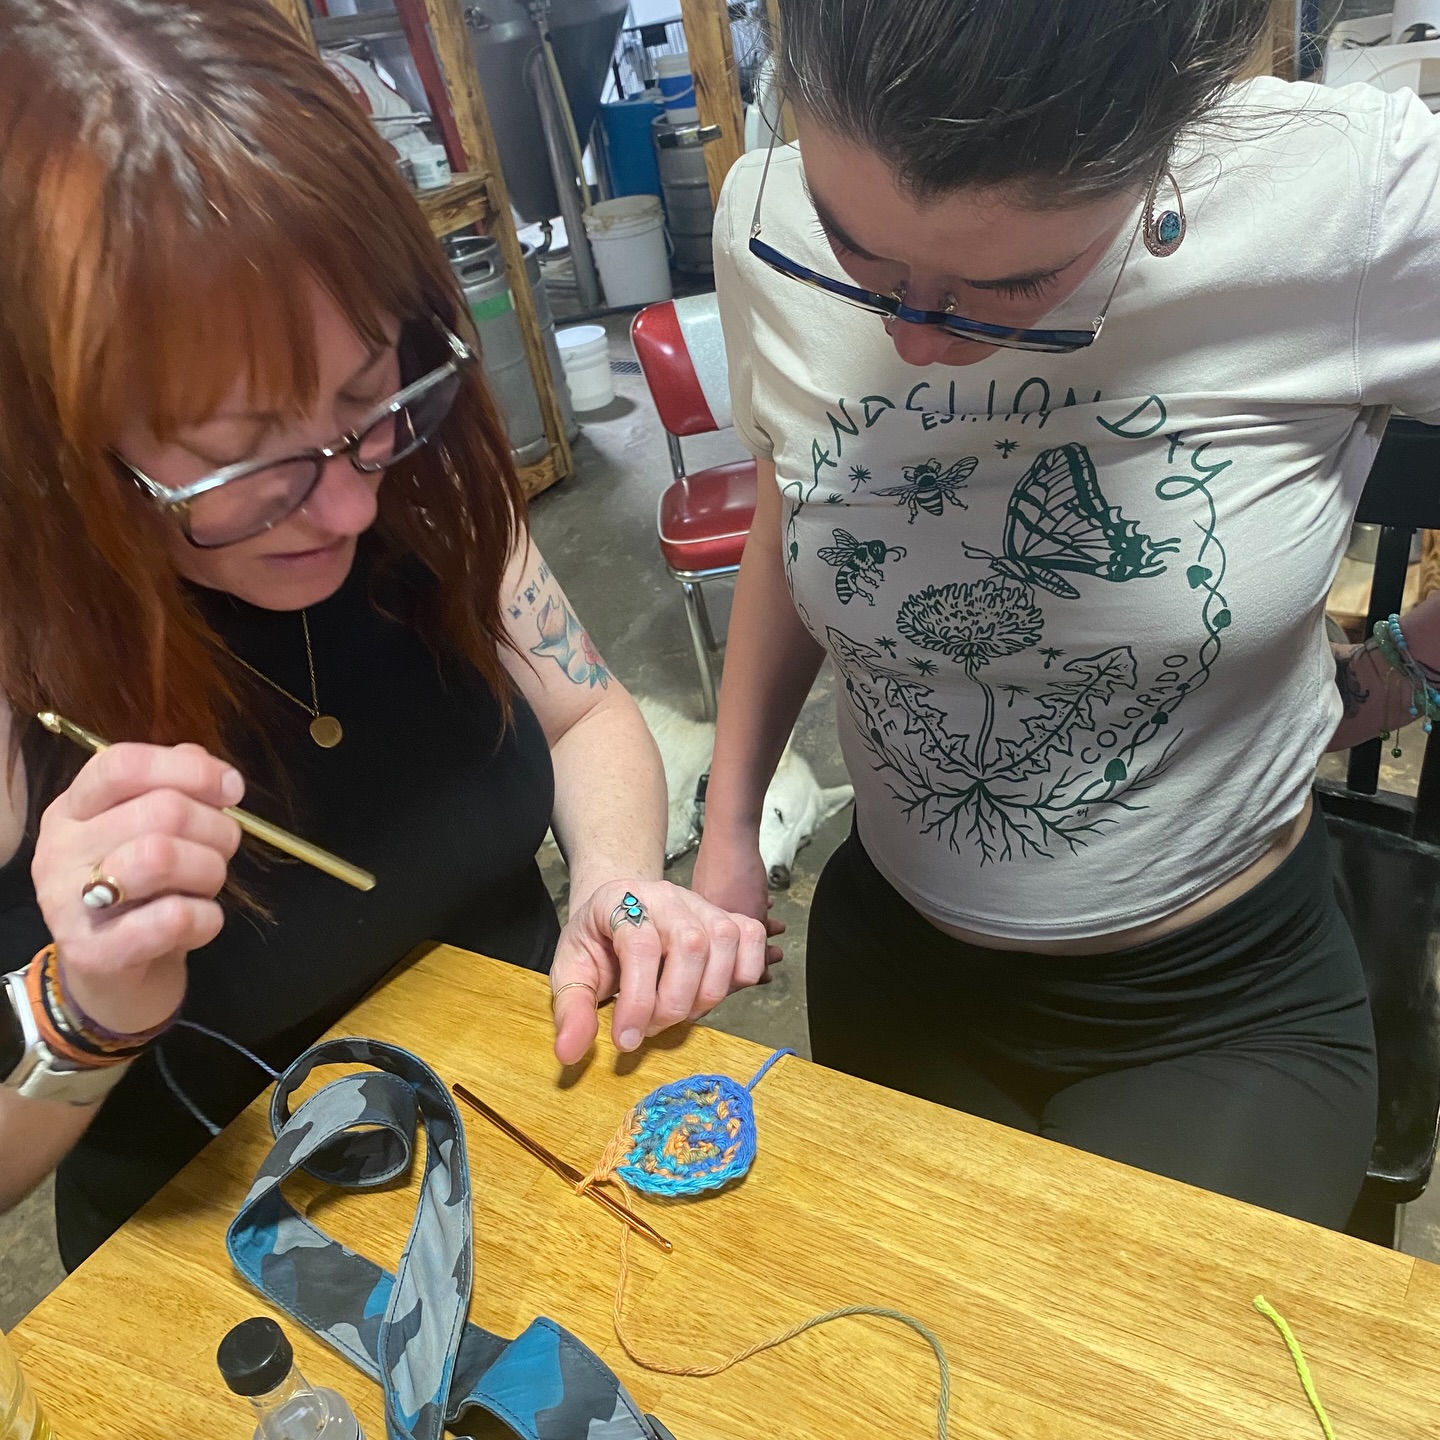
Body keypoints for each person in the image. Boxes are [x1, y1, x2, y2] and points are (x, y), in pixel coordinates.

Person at [0, 0, 771, 1268]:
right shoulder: (31, 652)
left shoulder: (416, 479)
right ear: (58, 445)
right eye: (243, 462)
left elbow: (585, 712)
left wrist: (619, 881)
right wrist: (85, 1009)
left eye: (369, 398)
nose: (352, 500)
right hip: (240, 1261)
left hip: (537, 1136)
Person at [695, 0, 1440, 1228]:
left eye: (1012, 283)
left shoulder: (1348, 203)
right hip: (896, 957)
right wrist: (729, 828)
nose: (911, 340)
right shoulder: (759, 215)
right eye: (854, 253)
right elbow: (802, 493)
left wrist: (1401, 668)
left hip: (1220, 1003)